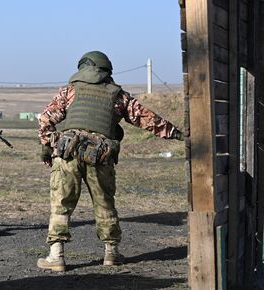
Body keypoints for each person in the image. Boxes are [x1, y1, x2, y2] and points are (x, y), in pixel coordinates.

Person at [37, 51, 185, 272]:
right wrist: (178, 134)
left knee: (61, 203)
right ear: (106, 70)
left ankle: (56, 255)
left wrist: (49, 146)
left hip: (67, 153)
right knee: (105, 203)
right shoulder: (118, 95)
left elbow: (45, 119)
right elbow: (147, 119)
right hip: (100, 153)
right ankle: (111, 253)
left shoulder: (69, 91)